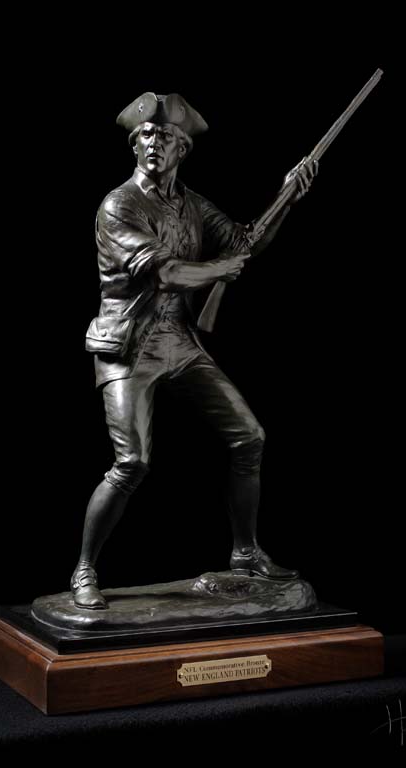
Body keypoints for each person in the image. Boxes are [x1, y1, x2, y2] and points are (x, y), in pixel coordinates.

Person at [71, 92, 317, 609]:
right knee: (132, 463)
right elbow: (166, 272)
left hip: (178, 341)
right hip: (129, 346)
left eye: (164, 137)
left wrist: (286, 197)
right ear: (134, 145)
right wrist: (219, 270)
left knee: (249, 437)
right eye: (145, 136)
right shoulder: (118, 205)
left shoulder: (193, 205)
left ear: (182, 148)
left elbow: (244, 241)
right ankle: (84, 569)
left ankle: (245, 552)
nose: (153, 143)